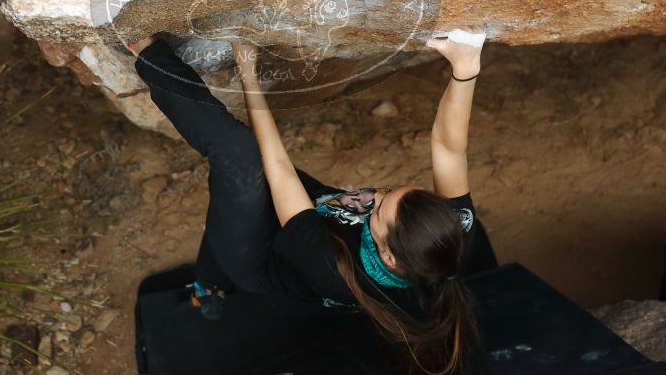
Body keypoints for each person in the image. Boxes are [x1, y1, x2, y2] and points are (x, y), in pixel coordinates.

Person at [126, 27, 497, 375]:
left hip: (259, 255)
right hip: (317, 209)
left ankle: (143, 48)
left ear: (388, 256)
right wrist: (465, 68)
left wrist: (249, 78)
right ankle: (208, 285)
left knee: (238, 156)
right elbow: (449, 148)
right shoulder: (454, 226)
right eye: (393, 190)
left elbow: (278, 169)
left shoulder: (335, 267)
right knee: (230, 204)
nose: (377, 195)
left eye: (379, 209)